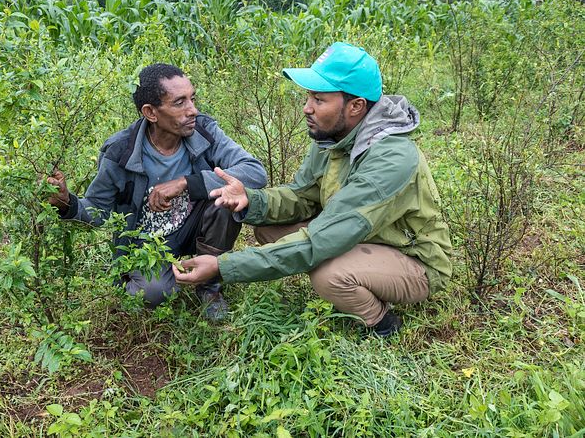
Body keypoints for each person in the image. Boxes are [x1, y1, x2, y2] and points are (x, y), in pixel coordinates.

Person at [173, 42, 452, 337]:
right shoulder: (333, 137)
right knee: (269, 230)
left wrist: (223, 266)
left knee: (329, 275)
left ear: (356, 106)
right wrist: (251, 201)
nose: (307, 108)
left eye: (319, 99)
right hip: (363, 236)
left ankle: (381, 322)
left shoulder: (391, 157)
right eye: (309, 97)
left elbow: (322, 240)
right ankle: (356, 272)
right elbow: (302, 197)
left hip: (411, 258)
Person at [48, 63, 267, 320]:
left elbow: (254, 172)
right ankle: (141, 278)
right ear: (151, 112)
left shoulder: (204, 132)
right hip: (146, 246)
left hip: (192, 227)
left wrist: (186, 182)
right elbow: (97, 210)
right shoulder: (120, 152)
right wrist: (66, 204)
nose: (192, 110)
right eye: (179, 103)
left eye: (192, 99)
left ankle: (209, 287)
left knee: (227, 200)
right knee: (153, 293)